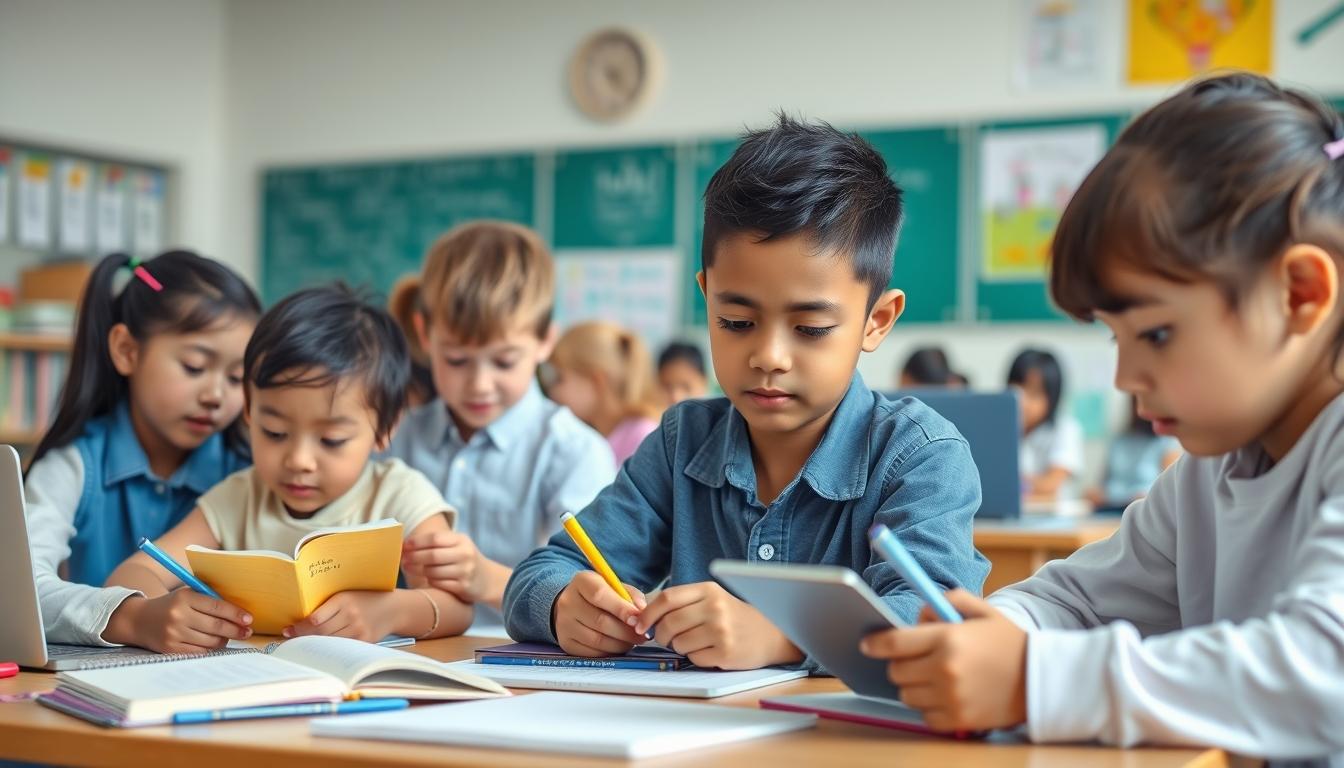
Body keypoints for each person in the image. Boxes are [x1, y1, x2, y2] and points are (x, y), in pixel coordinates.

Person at [860, 73, 1344, 761]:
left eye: (1156, 335)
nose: (1125, 379)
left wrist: (1034, 680)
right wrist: (989, 631)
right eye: (1116, 339)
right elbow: (1078, 604)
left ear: (1299, 294)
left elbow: (1323, 673)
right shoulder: (1208, 472)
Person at [504, 115, 988, 670]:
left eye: (810, 329)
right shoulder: (681, 442)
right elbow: (541, 574)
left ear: (876, 321)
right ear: (706, 297)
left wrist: (785, 637)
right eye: (736, 321)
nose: (769, 357)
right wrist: (565, 604)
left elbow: (935, 618)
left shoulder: (921, 455)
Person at [105, 285, 471, 651]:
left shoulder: (401, 495)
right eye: (275, 432)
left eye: (331, 440)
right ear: (249, 412)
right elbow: (134, 572)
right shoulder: (238, 498)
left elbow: (457, 606)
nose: (298, 460)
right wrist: (158, 612)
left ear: (385, 428)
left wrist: (390, 610)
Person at [22, 251, 260, 648]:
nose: (216, 395)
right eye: (195, 366)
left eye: (237, 377)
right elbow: (21, 590)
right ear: (127, 351)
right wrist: (129, 618)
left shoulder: (250, 472)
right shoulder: (74, 466)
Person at [385, 221, 616, 628]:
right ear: (424, 334)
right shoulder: (398, 438)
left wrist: (486, 580)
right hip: (409, 656)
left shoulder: (574, 452)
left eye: (504, 361)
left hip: (528, 667)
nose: (479, 384)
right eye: (456, 360)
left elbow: (589, 599)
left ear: (546, 340)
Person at [545, 321, 663, 465]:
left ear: (596, 381)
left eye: (559, 379)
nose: (552, 391)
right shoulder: (603, 434)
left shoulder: (643, 438)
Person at [1007, 348, 1084, 501]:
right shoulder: (1000, 428)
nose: (1023, 401)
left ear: (1052, 397)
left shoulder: (1065, 428)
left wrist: (1018, 485)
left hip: (1053, 517)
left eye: (1034, 394)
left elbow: (1051, 483)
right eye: (1018, 389)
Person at [1085, 395, 1181, 508]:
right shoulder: (1119, 440)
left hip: (1145, 510)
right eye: (1137, 403)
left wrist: (1142, 497)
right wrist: (1095, 494)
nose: (1141, 409)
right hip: (1109, 508)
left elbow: (1170, 493)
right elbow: (1101, 486)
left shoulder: (1167, 443)